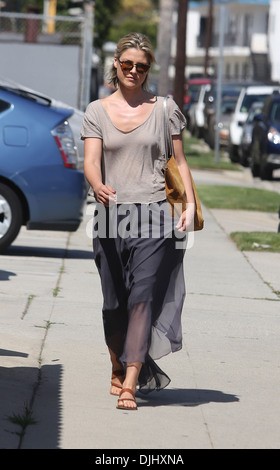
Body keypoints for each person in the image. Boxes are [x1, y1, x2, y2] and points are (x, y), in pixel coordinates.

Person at [81, 32, 195, 411]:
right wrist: (97, 185)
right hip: (111, 217)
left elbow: (179, 162)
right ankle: (117, 360)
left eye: (141, 67)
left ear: (148, 70)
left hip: (154, 215)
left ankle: (131, 378)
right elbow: (91, 160)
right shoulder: (97, 110)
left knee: (143, 297)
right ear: (116, 64)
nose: (133, 71)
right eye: (127, 64)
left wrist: (190, 206)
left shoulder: (164, 109)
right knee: (114, 301)